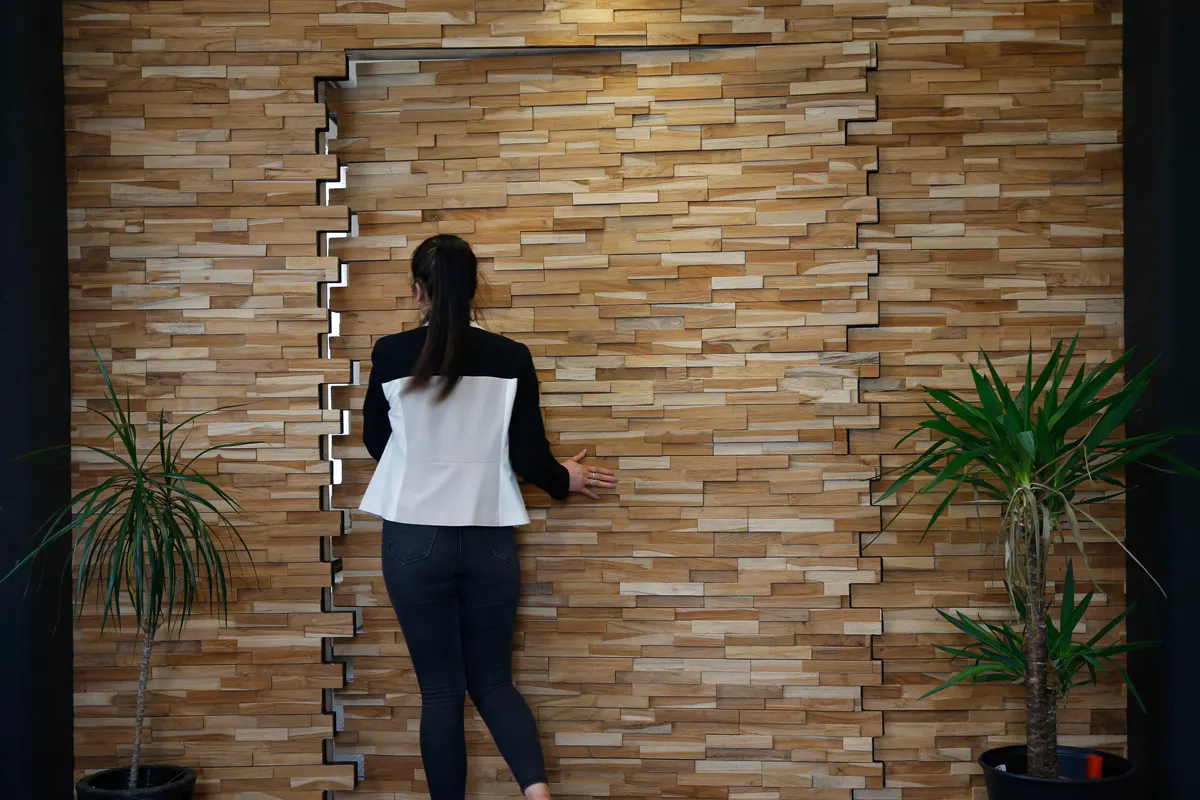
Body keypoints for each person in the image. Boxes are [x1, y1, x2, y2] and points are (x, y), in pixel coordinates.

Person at [359, 234, 616, 800]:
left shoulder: (391, 353)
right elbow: (529, 456)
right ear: (476, 289)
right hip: (491, 539)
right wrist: (563, 480)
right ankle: (537, 794)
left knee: (443, 694)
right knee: (494, 683)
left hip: (413, 538)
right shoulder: (510, 356)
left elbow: (376, 443)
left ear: (419, 291)